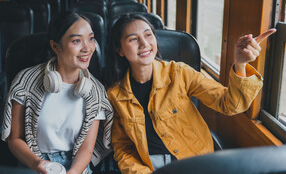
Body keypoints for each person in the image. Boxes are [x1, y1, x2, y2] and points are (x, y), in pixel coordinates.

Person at [104, 13, 276, 174]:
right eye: (133, 39)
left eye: (148, 35)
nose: (144, 44)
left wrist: (240, 64)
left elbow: (230, 104)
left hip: (194, 161)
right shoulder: (115, 96)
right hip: (151, 166)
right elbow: (123, 148)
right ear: (119, 50)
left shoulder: (179, 73)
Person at [1, 13, 113, 174]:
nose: (87, 48)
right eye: (76, 41)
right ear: (55, 47)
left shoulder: (95, 92)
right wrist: (37, 163)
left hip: (77, 166)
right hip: (34, 162)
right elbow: (14, 139)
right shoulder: (26, 82)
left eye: (91, 38)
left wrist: (73, 172)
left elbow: (86, 149)